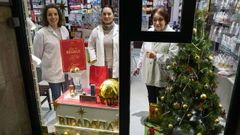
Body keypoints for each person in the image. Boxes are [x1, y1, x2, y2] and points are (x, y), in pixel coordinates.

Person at [133, 7, 179, 104]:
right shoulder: (149, 32)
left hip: (163, 75)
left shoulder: (172, 35)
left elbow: (173, 58)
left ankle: (162, 118)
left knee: (163, 100)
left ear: (166, 19)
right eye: (154, 20)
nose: (157, 23)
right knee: (151, 97)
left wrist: (156, 56)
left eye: (160, 20)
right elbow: (143, 51)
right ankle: (153, 116)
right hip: (149, 73)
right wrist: (138, 66)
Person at [33, 4, 69, 101]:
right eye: (50, 15)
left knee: (68, 97)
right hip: (52, 72)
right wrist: (46, 65)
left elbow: (68, 50)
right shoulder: (41, 34)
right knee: (57, 100)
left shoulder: (64, 30)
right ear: (46, 17)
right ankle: (59, 116)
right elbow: (36, 56)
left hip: (66, 71)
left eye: (55, 14)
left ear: (59, 15)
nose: (53, 17)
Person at [88, 5, 119, 79]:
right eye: (104, 14)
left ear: (113, 15)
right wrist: (93, 58)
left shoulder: (119, 30)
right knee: (102, 89)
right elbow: (90, 46)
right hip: (101, 66)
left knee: (116, 89)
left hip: (116, 67)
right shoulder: (96, 31)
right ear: (101, 16)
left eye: (109, 14)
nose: (106, 16)